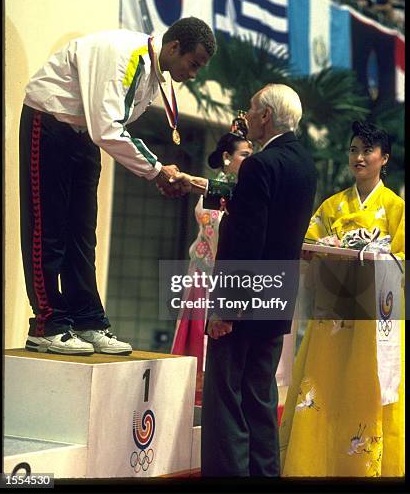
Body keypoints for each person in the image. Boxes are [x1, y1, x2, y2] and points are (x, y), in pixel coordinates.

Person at [20, 17, 216, 356]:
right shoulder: (127, 57)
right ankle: (47, 325)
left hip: (81, 133)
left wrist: (156, 171)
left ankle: (87, 321)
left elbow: (107, 127)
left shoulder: (155, 74)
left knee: (82, 236)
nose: (194, 73)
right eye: (193, 63)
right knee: (47, 230)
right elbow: (108, 128)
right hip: (49, 120)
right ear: (173, 47)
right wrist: (156, 171)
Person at [171, 84, 317, 476]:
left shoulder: (258, 165)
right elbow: (255, 208)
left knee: (226, 400)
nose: (247, 115)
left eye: (252, 108)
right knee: (260, 399)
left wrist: (224, 308)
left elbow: (244, 239)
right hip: (276, 298)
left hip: (242, 300)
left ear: (266, 116)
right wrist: (197, 182)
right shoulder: (304, 163)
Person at [280, 121, 405, 477]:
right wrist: (322, 250)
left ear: (385, 158)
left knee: (365, 392)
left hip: (373, 322)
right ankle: (313, 465)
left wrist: (374, 258)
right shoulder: (332, 205)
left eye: (367, 150)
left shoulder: (397, 209)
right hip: (333, 316)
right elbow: (309, 242)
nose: (359, 157)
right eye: (353, 150)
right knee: (323, 388)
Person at [171, 117, 253, 404]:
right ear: (227, 158)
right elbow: (217, 233)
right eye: (244, 154)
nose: (250, 159)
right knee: (205, 344)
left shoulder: (243, 189)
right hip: (208, 277)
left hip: (229, 276)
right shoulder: (216, 193)